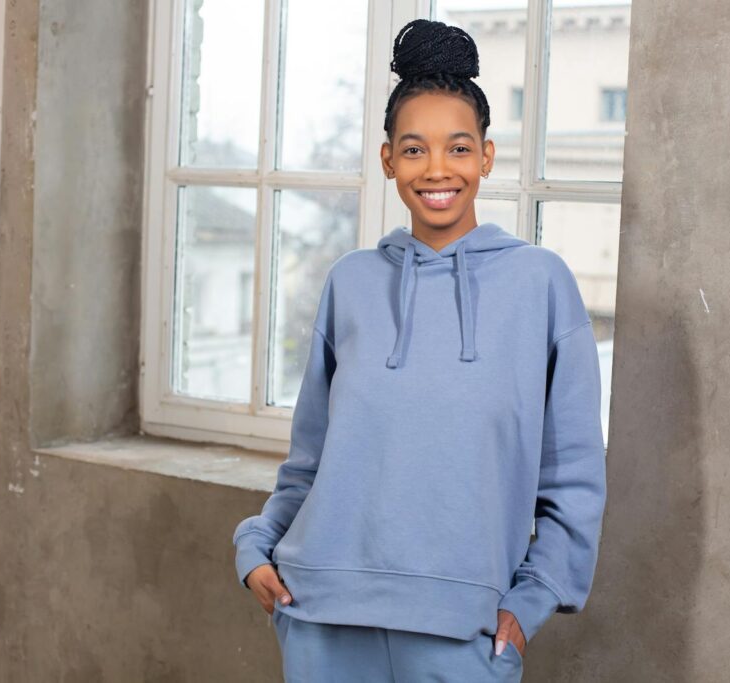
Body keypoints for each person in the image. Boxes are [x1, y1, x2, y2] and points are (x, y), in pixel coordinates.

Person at [232, 18, 607, 682]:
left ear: (486, 156)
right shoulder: (350, 282)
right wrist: (256, 545)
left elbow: (573, 476)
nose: (437, 169)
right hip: (321, 618)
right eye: (414, 149)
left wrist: (532, 596)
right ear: (387, 161)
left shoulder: (540, 285)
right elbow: (311, 463)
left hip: (462, 635)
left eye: (458, 148)